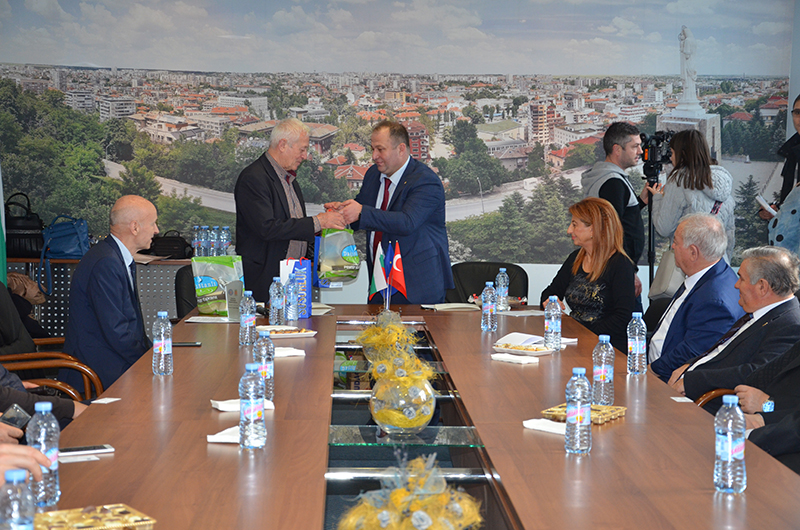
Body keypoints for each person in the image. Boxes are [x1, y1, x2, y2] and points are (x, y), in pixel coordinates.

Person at [324, 120, 453, 304]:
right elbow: (364, 214)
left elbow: (407, 222)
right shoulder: (373, 175)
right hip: (378, 280)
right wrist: (342, 213)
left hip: (416, 285)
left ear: (401, 149)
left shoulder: (425, 181)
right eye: (372, 149)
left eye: (380, 149)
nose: (374, 156)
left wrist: (361, 212)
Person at [667, 246, 800, 401]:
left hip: (714, 403)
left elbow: (756, 373)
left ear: (762, 287)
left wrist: (692, 381)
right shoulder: (759, 312)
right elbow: (719, 352)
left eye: (741, 279)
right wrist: (690, 365)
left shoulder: (790, 326)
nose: (736, 285)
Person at [234, 118, 345, 301]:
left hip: (293, 281)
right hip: (264, 283)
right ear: (283, 145)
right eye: (302, 149)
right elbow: (267, 228)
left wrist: (324, 223)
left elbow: (293, 226)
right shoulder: (254, 178)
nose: (305, 156)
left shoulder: (289, 179)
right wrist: (317, 222)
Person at [63, 195, 157, 391]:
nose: (156, 230)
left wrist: (155, 352)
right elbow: (117, 332)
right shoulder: (106, 263)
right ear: (135, 227)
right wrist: (150, 359)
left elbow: (129, 328)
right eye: (153, 223)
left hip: (113, 360)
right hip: (99, 373)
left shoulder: (114, 256)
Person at [648, 214, 744, 381]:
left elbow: (692, 352)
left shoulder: (715, 301)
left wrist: (650, 371)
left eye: (676, 242)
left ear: (693, 252)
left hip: (667, 380)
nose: (672, 246)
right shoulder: (710, 273)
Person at [540, 197, 636, 352]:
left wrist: (582, 332)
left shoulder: (620, 264)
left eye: (574, 225)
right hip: (577, 342)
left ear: (593, 229)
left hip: (607, 349)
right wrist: (550, 303)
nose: (569, 230)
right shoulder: (575, 258)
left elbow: (623, 318)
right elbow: (549, 293)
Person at [581, 122, 647, 304]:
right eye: (634, 146)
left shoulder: (609, 179)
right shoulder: (613, 183)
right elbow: (611, 232)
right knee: (629, 321)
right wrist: (628, 272)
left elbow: (617, 218)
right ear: (617, 149)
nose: (640, 151)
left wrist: (640, 202)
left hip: (612, 270)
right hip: (617, 273)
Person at [645, 129, 735, 261]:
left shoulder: (679, 180)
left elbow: (663, 228)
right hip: (719, 262)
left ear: (682, 154)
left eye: (672, 153)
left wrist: (657, 198)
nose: (670, 158)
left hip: (689, 262)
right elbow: (729, 235)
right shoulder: (724, 181)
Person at [725, 340, 800, 474]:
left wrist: (768, 405)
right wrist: (762, 417)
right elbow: (755, 379)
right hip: (775, 430)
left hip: (784, 445)